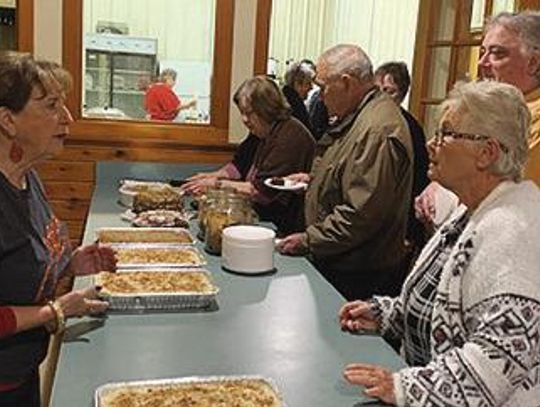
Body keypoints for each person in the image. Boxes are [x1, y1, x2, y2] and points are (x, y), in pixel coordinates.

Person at [339, 80, 540, 406]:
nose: (432, 144)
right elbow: (445, 310)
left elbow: (495, 362)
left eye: (446, 133)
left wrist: (403, 387)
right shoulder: (471, 209)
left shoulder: (514, 231)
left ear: (486, 153)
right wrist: (389, 315)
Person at [0, 52, 117, 407]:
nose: (67, 118)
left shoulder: (28, 179)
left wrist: (70, 263)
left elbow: (19, 266)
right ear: (8, 120)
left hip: (21, 374)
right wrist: (57, 310)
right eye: (51, 106)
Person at [277, 44, 413, 300]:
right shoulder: (359, 116)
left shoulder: (377, 129)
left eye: (323, 87)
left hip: (359, 272)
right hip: (342, 260)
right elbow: (349, 175)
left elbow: (361, 214)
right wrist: (315, 180)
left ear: (347, 83)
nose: (320, 96)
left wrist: (308, 240)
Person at [415, 11, 540, 228]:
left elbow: (500, 185)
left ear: (534, 63)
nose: (482, 63)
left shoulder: (532, 117)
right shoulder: (489, 109)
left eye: (497, 54)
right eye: (482, 52)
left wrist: (444, 184)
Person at [183, 76, 315, 235]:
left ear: (267, 108)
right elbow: (239, 164)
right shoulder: (264, 128)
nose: (244, 120)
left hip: (283, 227)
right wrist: (212, 176)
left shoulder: (289, 136)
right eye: (242, 113)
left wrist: (216, 183)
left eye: (249, 113)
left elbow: (261, 192)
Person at [375, 62, 430, 254]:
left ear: (403, 93)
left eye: (389, 91)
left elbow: (418, 180)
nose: (382, 97)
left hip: (398, 225)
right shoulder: (370, 123)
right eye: (378, 90)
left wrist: (409, 232)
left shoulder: (410, 128)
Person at [281, 61, 315, 133]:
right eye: (308, 83)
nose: (311, 87)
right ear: (297, 84)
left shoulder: (283, 99)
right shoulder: (294, 107)